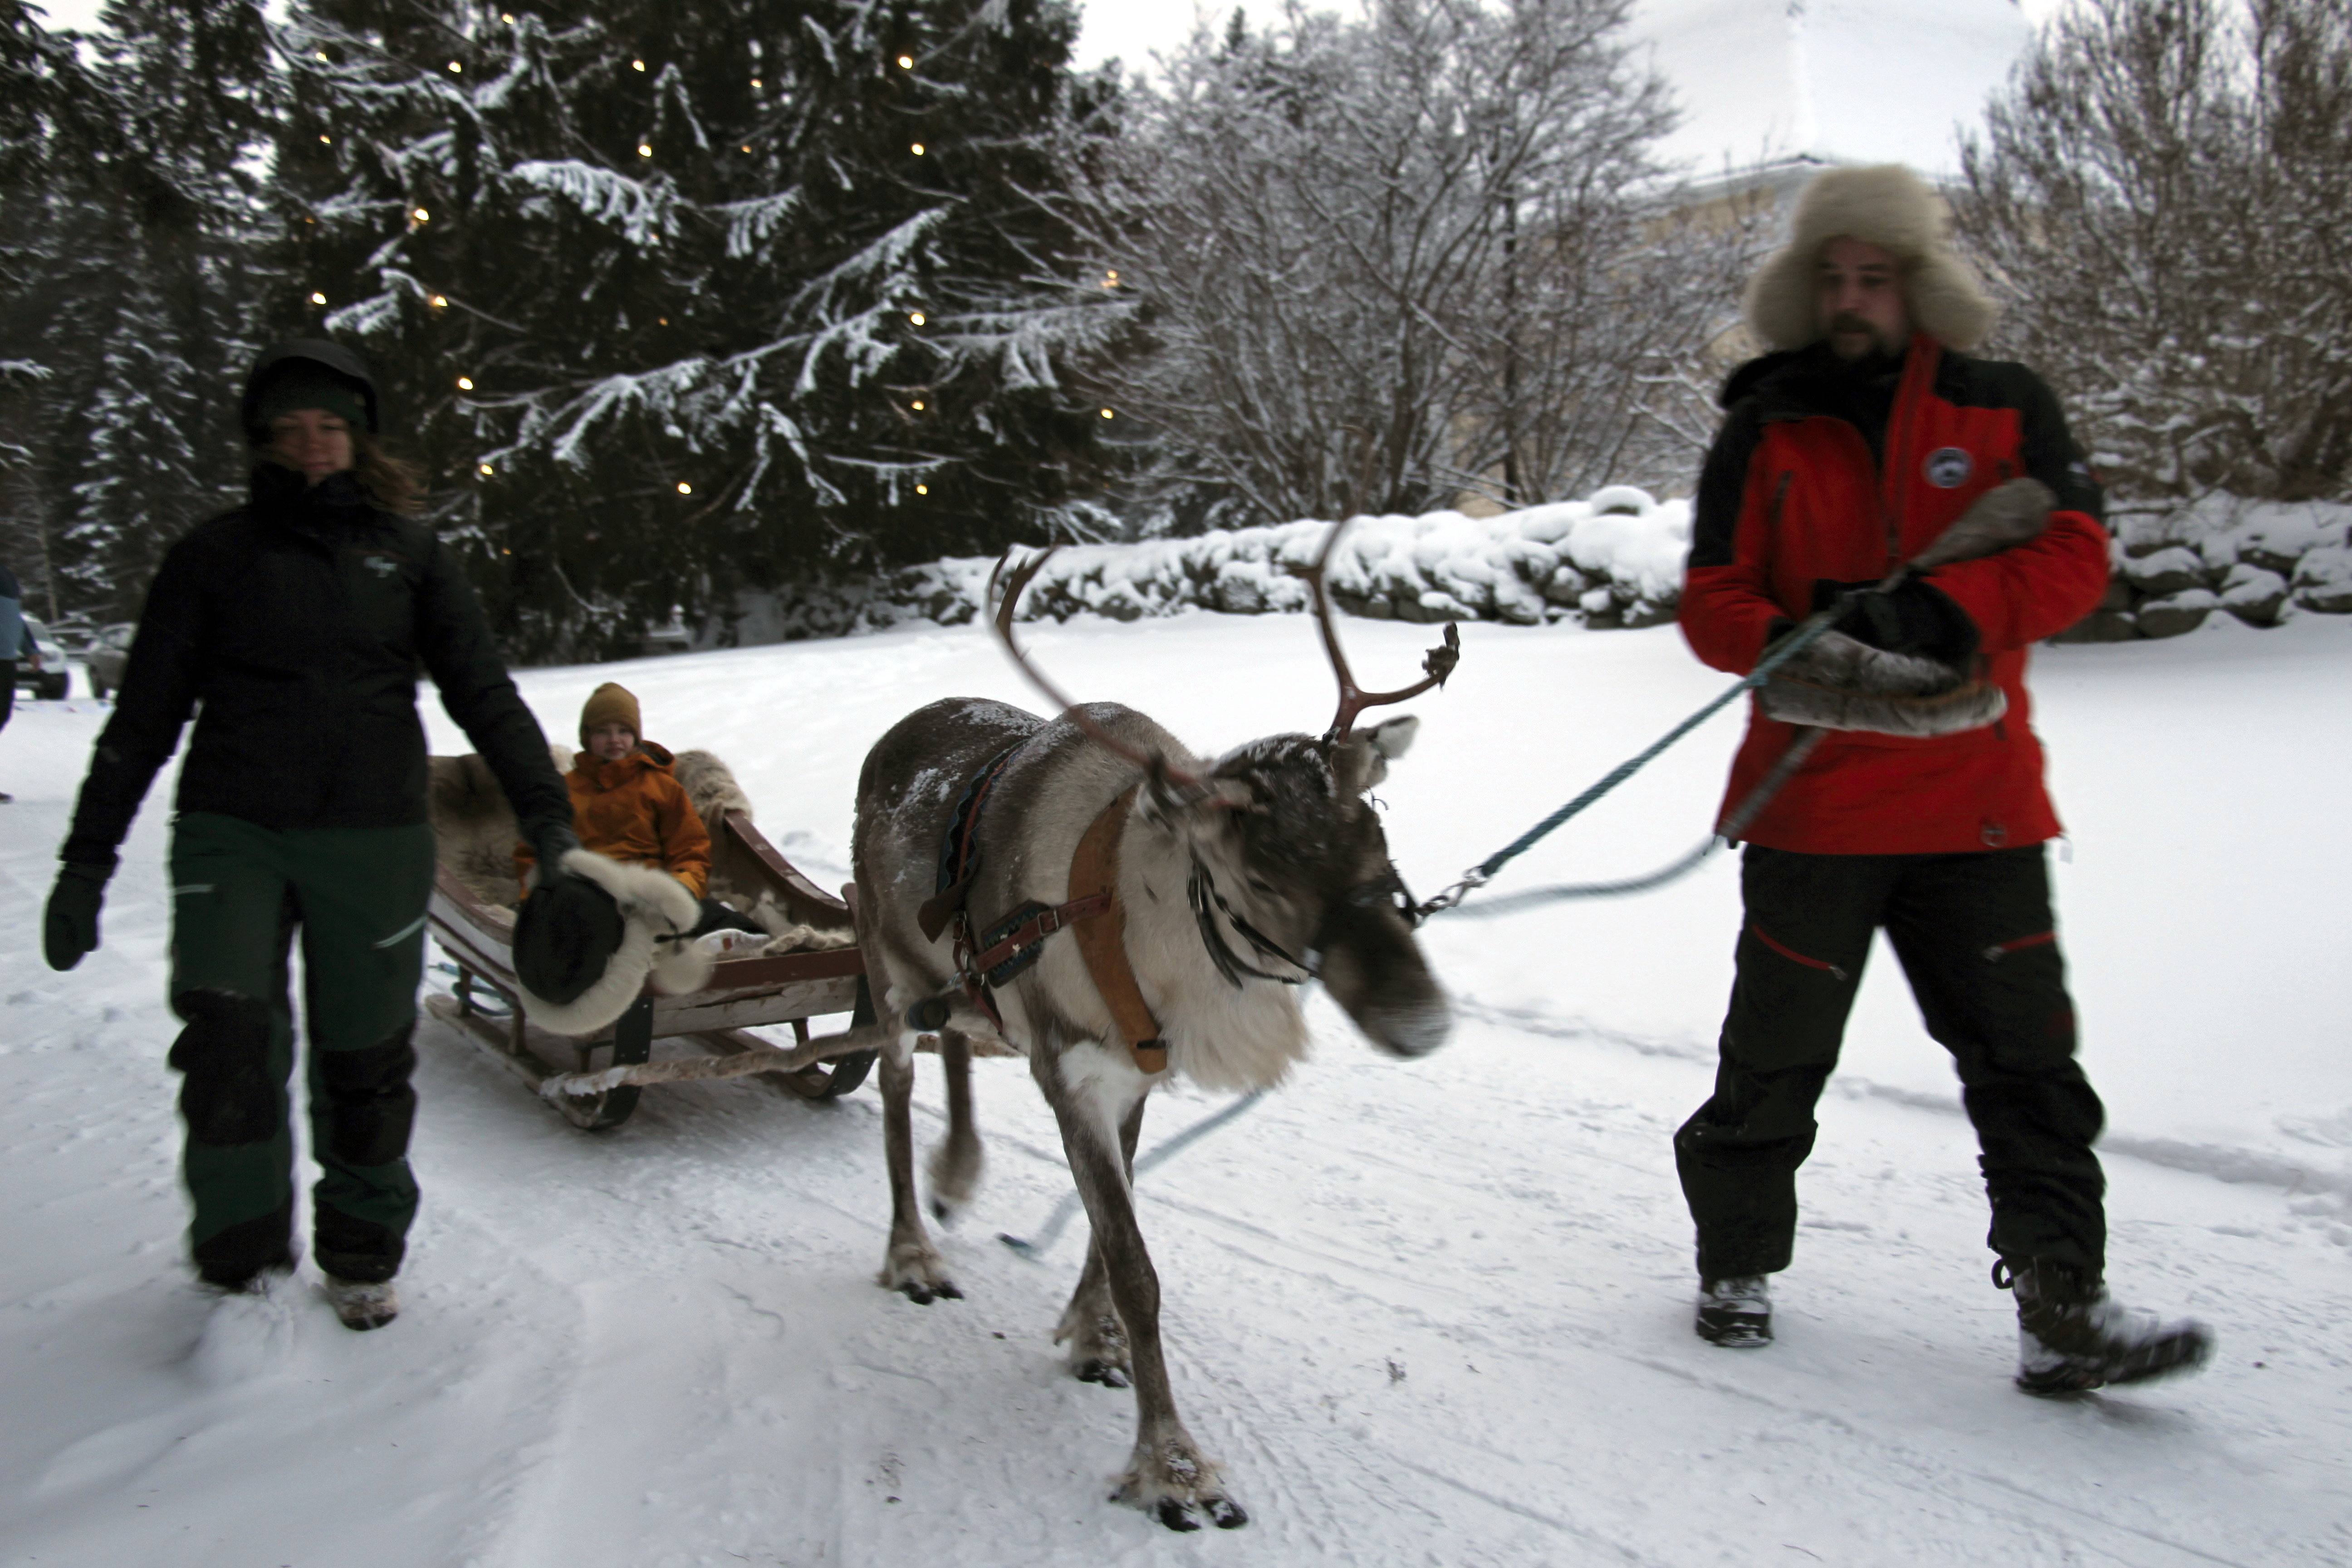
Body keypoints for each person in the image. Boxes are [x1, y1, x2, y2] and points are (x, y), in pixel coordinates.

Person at [1673, 165, 2210, 1394]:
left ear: (1919, 283)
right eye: (1835, 278)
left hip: (1979, 805)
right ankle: (1737, 1259)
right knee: (1775, 1054)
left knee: (2028, 1062)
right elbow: (1712, 599)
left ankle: (2061, 1300)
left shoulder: (2005, 405)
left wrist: (1948, 609)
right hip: (1813, 802)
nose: (1855, 298)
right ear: (1807, 290)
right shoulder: (1763, 423)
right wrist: (1810, 644)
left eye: (1877, 276)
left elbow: (2076, 556)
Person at [41, 339, 577, 1331]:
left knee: (364, 1056)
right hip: (232, 832)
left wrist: (549, 820)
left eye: (330, 427)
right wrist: (87, 856)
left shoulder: (409, 556)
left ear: (359, 437)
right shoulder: (213, 557)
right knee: (229, 1040)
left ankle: (362, 1257)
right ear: (263, 443)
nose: (313, 445)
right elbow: (142, 723)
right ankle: (239, 1268)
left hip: (372, 839)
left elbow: (485, 696)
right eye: (291, 430)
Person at [516, 681, 758, 939]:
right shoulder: (565, 791)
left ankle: (754, 945)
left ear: (635, 736)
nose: (614, 740)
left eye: (623, 731)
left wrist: (684, 888)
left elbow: (690, 849)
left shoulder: (661, 788)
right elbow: (533, 853)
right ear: (587, 736)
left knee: (718, 919)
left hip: (650, 895)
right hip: (588, 899)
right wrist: (538, 898)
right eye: (603, 731)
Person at [0, 558, 28, 803]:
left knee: (2, 715)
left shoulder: (6, 575)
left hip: (6, 660)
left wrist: (29, 647)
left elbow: (15, 615)